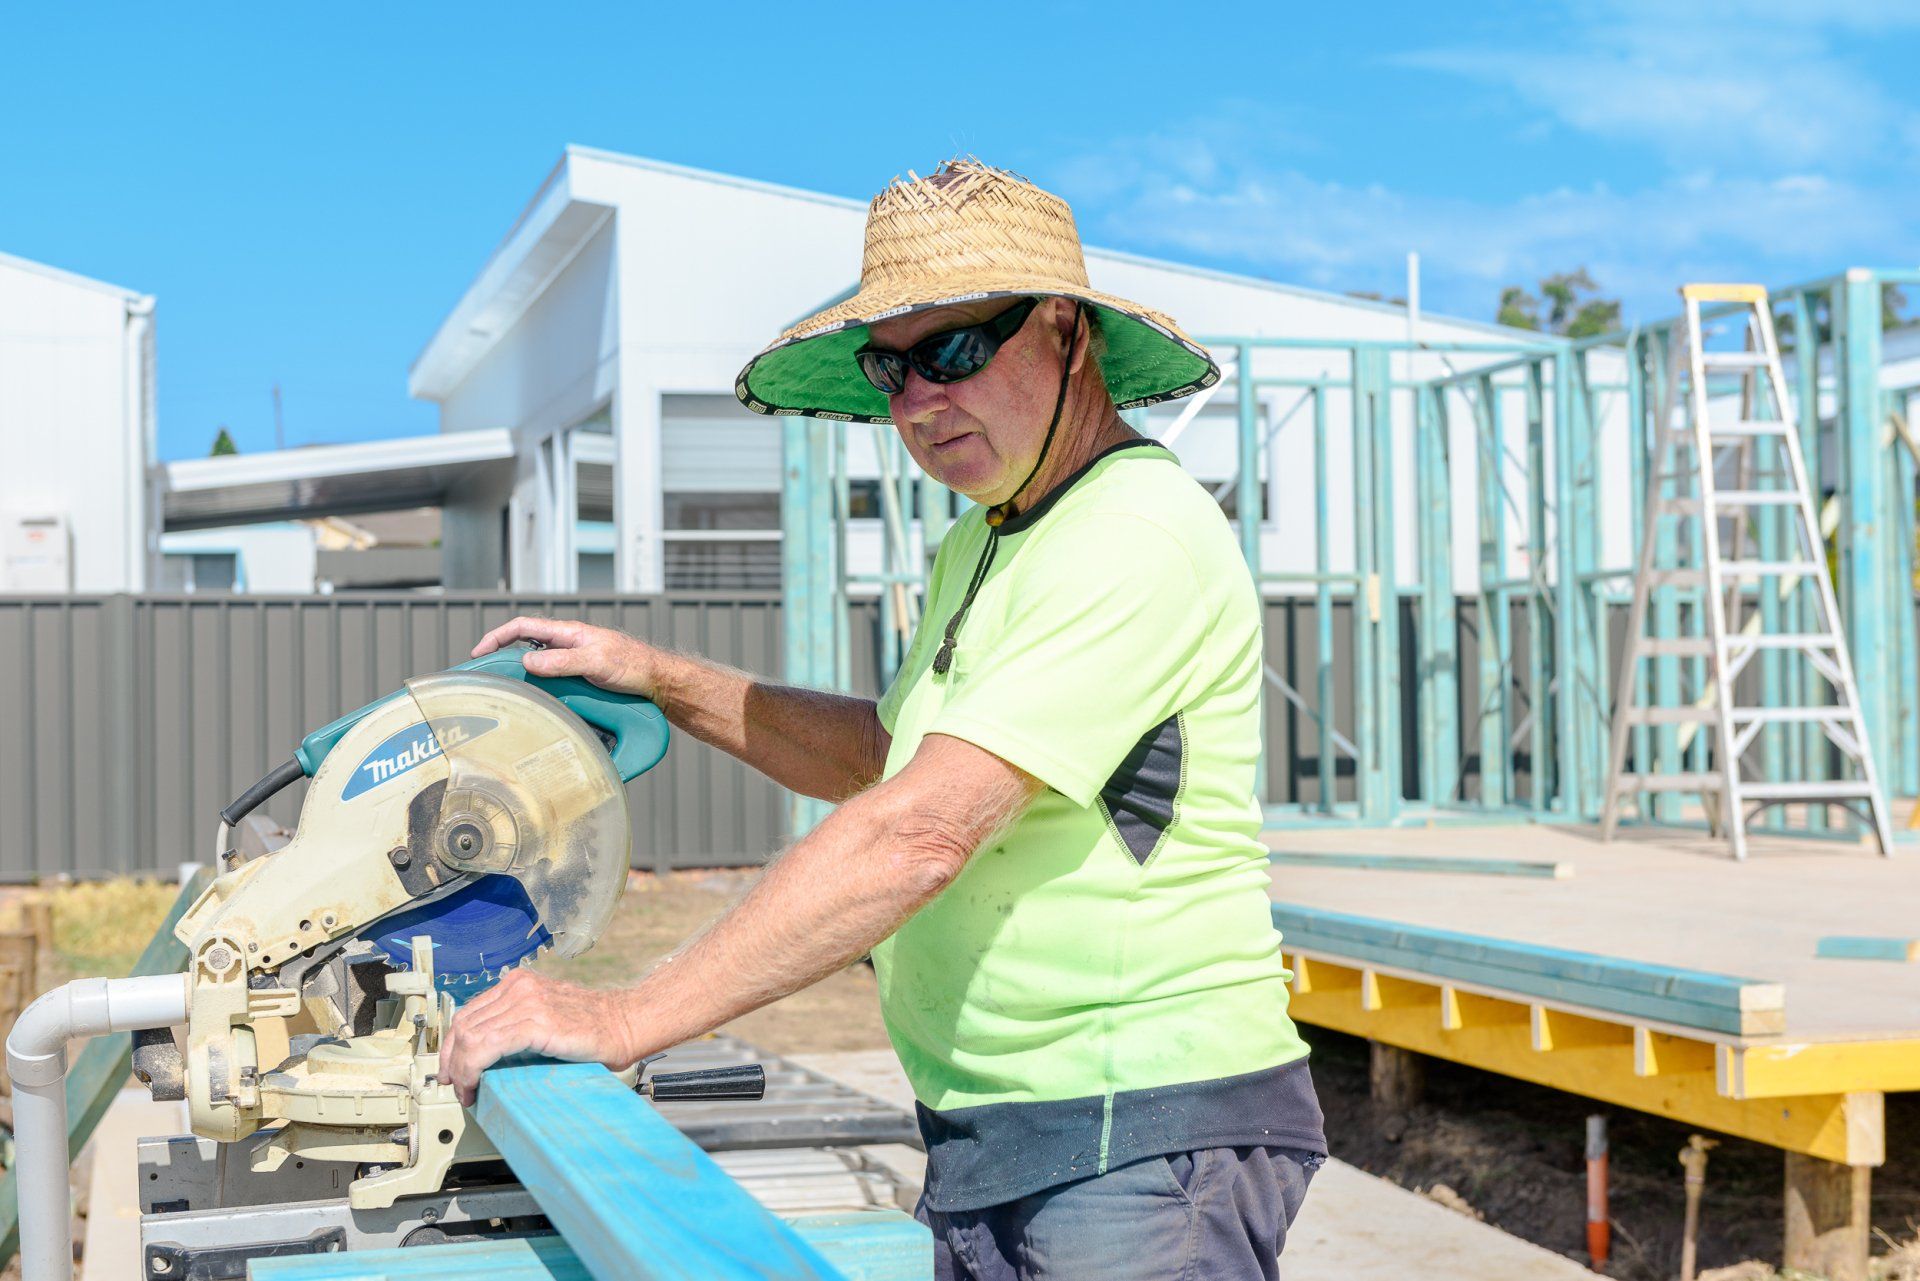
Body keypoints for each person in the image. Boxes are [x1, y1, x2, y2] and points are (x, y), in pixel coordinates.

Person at [440, 158, 1326, 1279]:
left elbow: (920, 827)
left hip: (1139, 1131)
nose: (916, 403)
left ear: (1066, 331)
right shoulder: (991, 535)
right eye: (889, 369)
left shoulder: (1132, 531)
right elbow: (885, 758)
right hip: (1006, 1126)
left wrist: (626, 1019)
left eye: (953, 352)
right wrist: (662, 679)